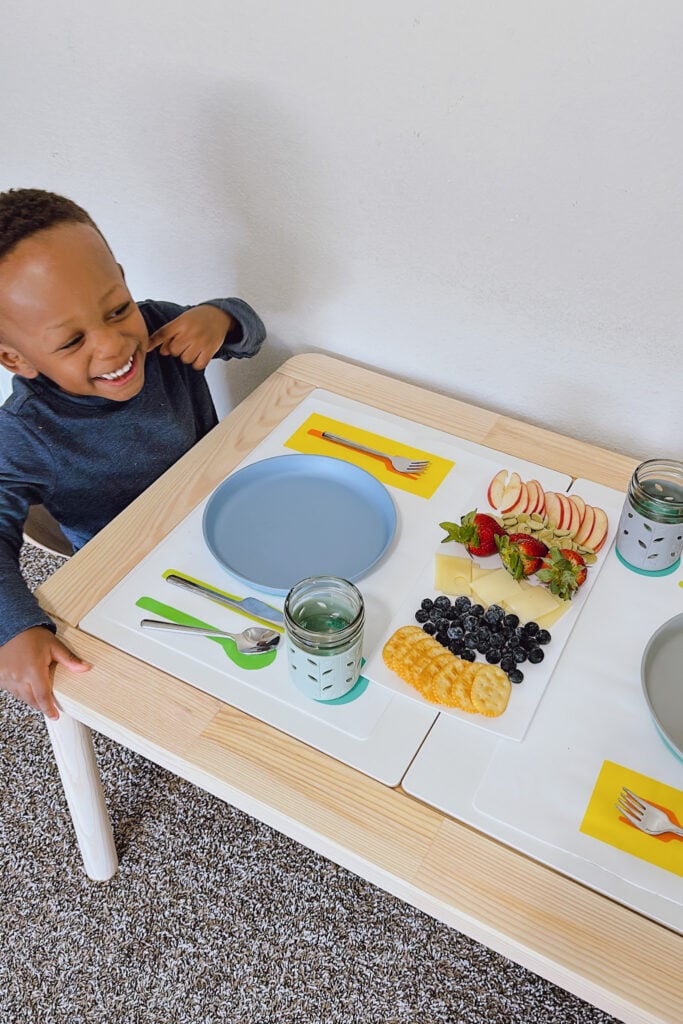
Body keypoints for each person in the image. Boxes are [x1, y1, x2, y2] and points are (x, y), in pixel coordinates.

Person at [0, 188, 266, 721]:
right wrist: (15, 628)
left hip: (227, 511)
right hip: (133, 574)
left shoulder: (160, 326)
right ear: (15, 357)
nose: (114, 344)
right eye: (72, 342)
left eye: (117, 308)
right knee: (197, 696)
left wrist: (220, 318)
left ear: (121, 277)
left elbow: (249, 336)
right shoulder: (25, 431)